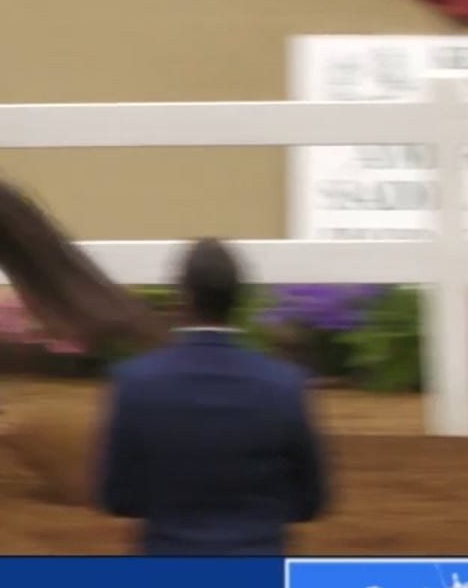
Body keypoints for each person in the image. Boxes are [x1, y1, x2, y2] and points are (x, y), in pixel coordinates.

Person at [93, 237, 330, 555]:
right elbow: (310, 502)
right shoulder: (285, 384)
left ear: (183, 296)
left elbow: (118, 498)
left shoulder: (135, 381)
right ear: (238, 298)